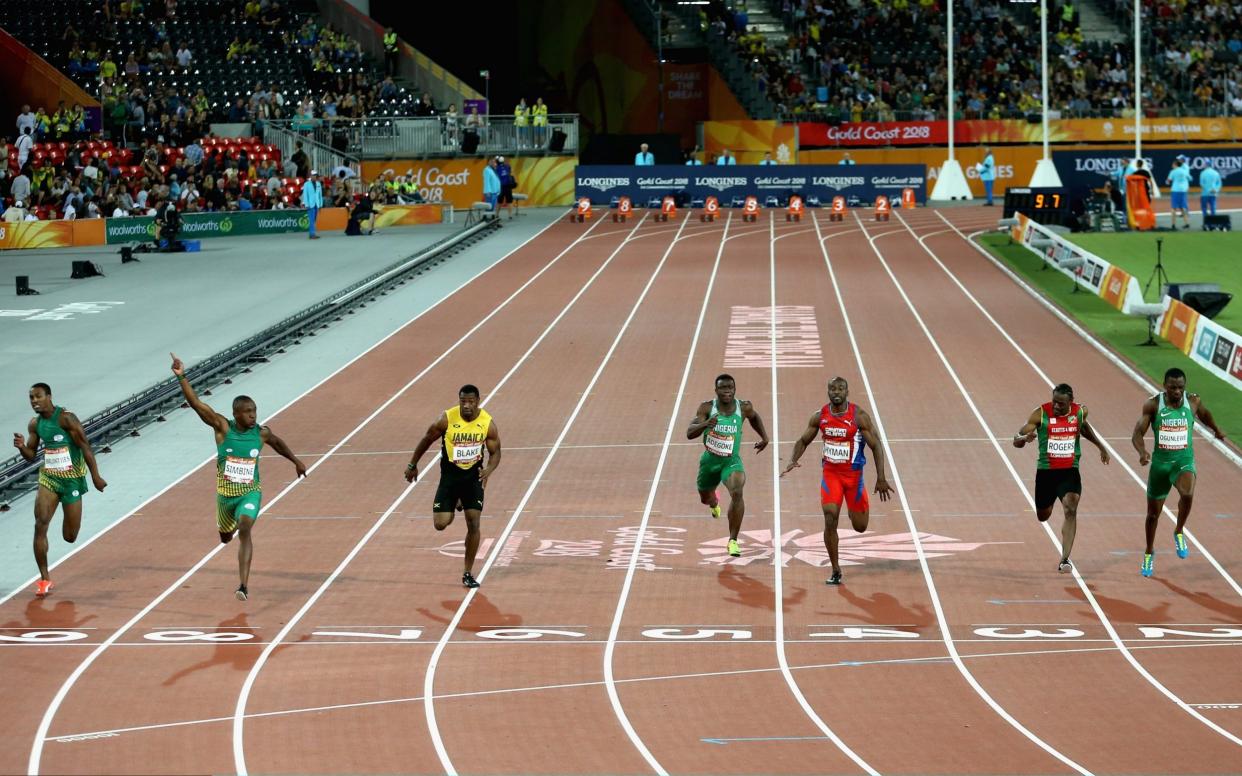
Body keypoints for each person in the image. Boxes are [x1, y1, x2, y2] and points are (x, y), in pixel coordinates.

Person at [171, 353, 307, 600]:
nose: (253, 415)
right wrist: (182, 378)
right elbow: (196, 404)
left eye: (254, 410)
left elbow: (278, 443)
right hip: (225, 497)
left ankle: (243, 586)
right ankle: (227, 527)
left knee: (245, 528)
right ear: (236, 414)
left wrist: (296, 461)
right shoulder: (223, 428)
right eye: (247, 412)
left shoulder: (261, 433)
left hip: (250, 492)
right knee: (225, 537)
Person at [781, 377, 892, 585]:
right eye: (832, 388)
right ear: (828, 392)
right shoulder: (820, 416)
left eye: (840, 388)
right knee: (830, 517)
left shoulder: (859, 416)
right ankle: (835, 569)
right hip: (831, 475)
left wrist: (881, 477)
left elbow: (876, 445)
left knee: (860, 527)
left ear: (847, 391)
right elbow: (803, 440)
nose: (836, 391)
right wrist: (793, 459)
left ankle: (853, 507)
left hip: (854, 478)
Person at [12, 383, 108, 597]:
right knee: (40, 524)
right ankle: (45, 579)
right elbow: (31, 456)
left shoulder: (66, 419)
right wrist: (21, 447)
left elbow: (85, 447)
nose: (34, 401)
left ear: (49, 397)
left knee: (70, 536)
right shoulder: (35, 424)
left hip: (72, 481)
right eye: (31, 398)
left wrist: (96, 476)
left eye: (38, 397)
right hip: (49, 479)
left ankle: (68, 524)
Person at [1131, 368, 1226, 578]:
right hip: (1160, 465)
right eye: (1172, 387)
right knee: (1152, 515)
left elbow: (1205, 415)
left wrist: (1216, 430)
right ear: (1164, 385)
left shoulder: (1192, 402)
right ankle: (1149, 552)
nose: (1177, 391)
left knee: (1188, 494)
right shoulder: (1153, 405)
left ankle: (1179, 530)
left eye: (1180, 387)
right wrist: (1142, 451)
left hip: (1183, 461)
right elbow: (1137, 433)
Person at [404, 385, 501, 588]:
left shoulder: (487, 423)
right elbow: (426, 439)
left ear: (478, 401)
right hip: (449, 478)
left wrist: (489, 470)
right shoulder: (446, 419)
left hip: (473, 478)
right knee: (440, 524)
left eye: (470, 402)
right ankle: (455, 503)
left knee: (473, 523)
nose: (466, 406)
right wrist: (412, 465)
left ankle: (467, 572)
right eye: (462, 401)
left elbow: (496, 452)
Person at [1012, 383, 1110, 573]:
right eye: (1054, 402)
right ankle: (1047, 507)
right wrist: (1024, 439)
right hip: (1046, 473)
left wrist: (1101, 447)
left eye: (1061, 404)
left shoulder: (1080, 412)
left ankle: (1065, 559)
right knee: (1043, 515)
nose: (1056, 406)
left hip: (1069, 471)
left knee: (1071, 507)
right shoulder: (1040, 414)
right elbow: (1016, 439)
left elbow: (1084, 428)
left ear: (1070, 402)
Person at [686, 374, 769, 558]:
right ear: (716, 391)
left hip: (731, 461)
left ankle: (733, 540)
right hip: (709, 462)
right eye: (723, 388)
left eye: (730, 388)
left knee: (737, 492)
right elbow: (689, 433)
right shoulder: (707, 407)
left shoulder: (744, 407)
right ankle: (714, 502)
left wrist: (764, 437)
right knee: (705, 498)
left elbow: (754, 417)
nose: (727, 391)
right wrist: (706, 424)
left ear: (734, 389)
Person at [1164, 158, 1192, 230]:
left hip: (1175, 190)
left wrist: (1167, 182)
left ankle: (1173, 225)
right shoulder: (1184, 171)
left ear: (1176, 165)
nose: (1172, 165)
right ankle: (1187, 223)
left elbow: (1168, 180)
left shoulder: (1173, 172)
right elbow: (1190, 178)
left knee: (1173, 208)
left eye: (1173, 164)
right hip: (1183, 191)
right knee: (1182, 207)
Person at [301, 171, 323, 239]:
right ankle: (312, 234)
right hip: (310, 204)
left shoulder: (318, 184)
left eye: (315, 175)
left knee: (314, 220)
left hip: (317, 204)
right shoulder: (306, 184)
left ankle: (312, 233)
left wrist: (320, 204)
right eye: (312, 175)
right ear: (310, 176)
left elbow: (320, 195)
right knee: (311, 219)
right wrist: (306, 204)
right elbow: (305, 195)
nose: (314, 176)